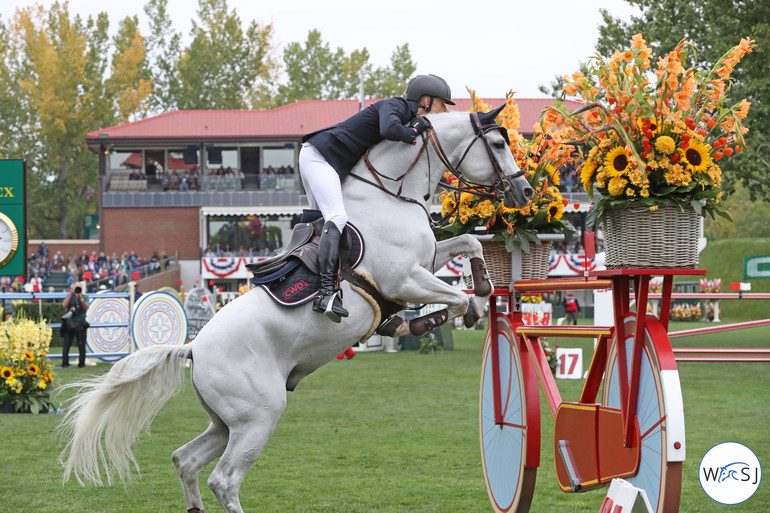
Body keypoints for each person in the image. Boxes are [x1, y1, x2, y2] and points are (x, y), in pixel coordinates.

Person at [298, 74, 454, 322]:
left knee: (332, 225)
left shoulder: (407, 115)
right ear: (425, 101)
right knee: (336, 218)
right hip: (319, 157)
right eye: (442, 103)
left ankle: (330, 288)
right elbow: (389, 129)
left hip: (329, 161)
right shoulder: (396, 105)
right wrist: (414, 130)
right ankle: (326, 293)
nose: (444, 109)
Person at [61, 282, 90, 368]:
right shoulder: (70, 296)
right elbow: (64, 305)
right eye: (76, 288)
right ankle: (65, 363)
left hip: (80, 323)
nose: (77, 290)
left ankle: (82, 363)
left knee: (81, 345)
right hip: (69, 323)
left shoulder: (85, 297)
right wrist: (71, 294)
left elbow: (86, 308)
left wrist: (80, 298)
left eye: (79, 288)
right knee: (66, 344)